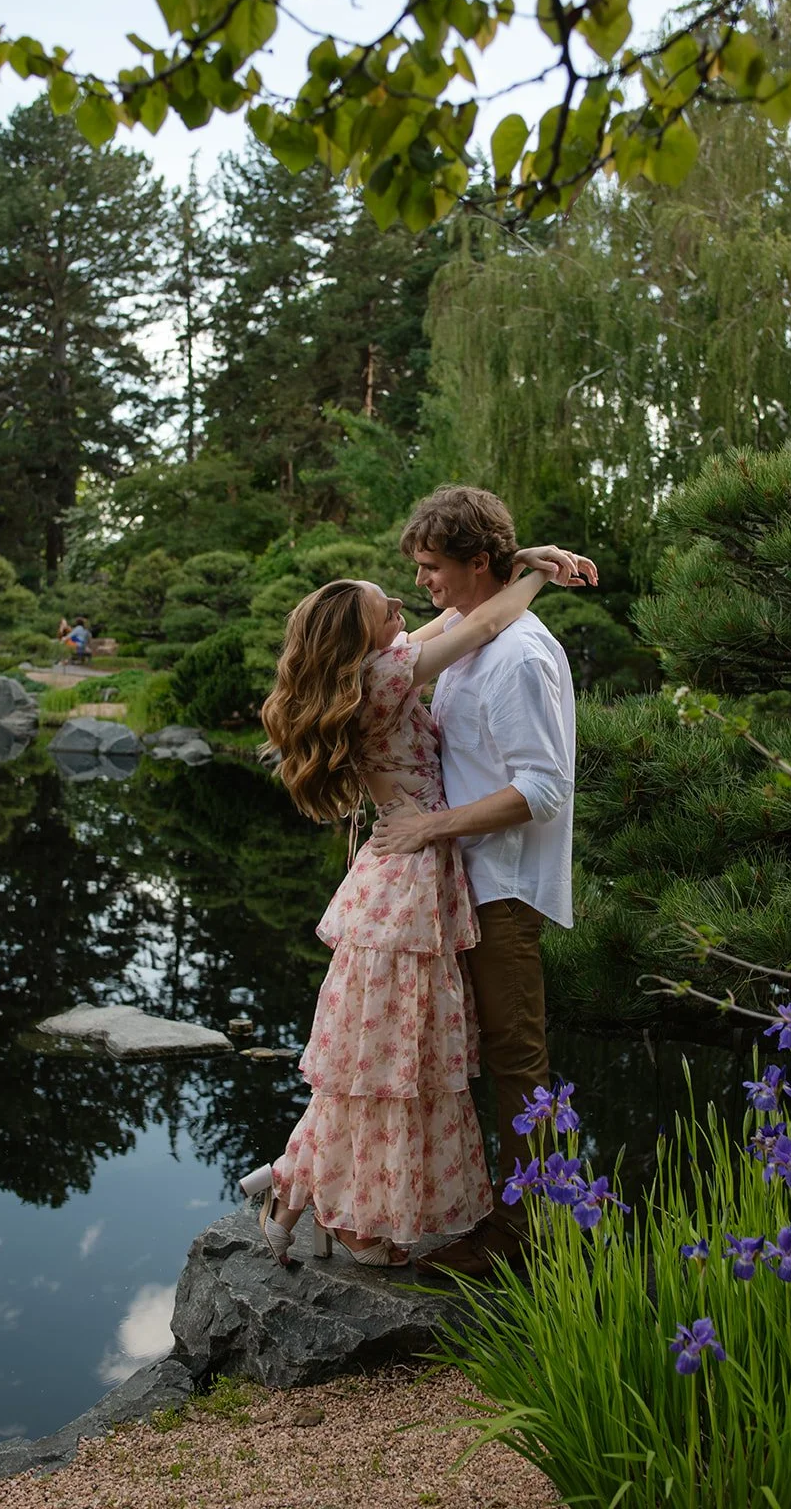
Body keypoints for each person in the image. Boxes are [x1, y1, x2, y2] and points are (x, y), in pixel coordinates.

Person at [239, 551, 565, 1269]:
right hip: (409, 878)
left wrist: (510, 559)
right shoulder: (384, 677)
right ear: (366, 639)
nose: (405, 610)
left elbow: (458, 612)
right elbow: (483, 621)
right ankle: (313, 1184)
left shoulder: (366, 673)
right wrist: (539, 576)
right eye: (389, 608)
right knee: (394, 1055)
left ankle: (297, 1173)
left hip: (398, 873)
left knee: (378, 1052)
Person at [371, 486, 597, 1279]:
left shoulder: (520, 657)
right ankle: (477, 1209)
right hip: (458, 887)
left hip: (502, 889)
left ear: (475, 563)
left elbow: (542, 789)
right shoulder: (473, 641)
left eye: (433, 568)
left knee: (514, 1060)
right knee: (446, 1056)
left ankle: (528, 1233)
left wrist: (424, 828)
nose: (424, 582)